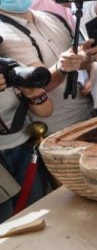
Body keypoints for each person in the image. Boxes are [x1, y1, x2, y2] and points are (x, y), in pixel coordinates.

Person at [0, 0, 97, 133]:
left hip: (90, 112)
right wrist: (61, 67)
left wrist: (88, 61)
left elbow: (79, 56)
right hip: (58, 128)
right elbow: (39, 83)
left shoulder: (52, 17)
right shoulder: (5, 35)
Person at [0, 66, 54, 222]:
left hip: (24, 149)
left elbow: (45, 111)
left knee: (35, 210)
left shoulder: (8, 68)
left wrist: (31, 92)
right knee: (5, 216)